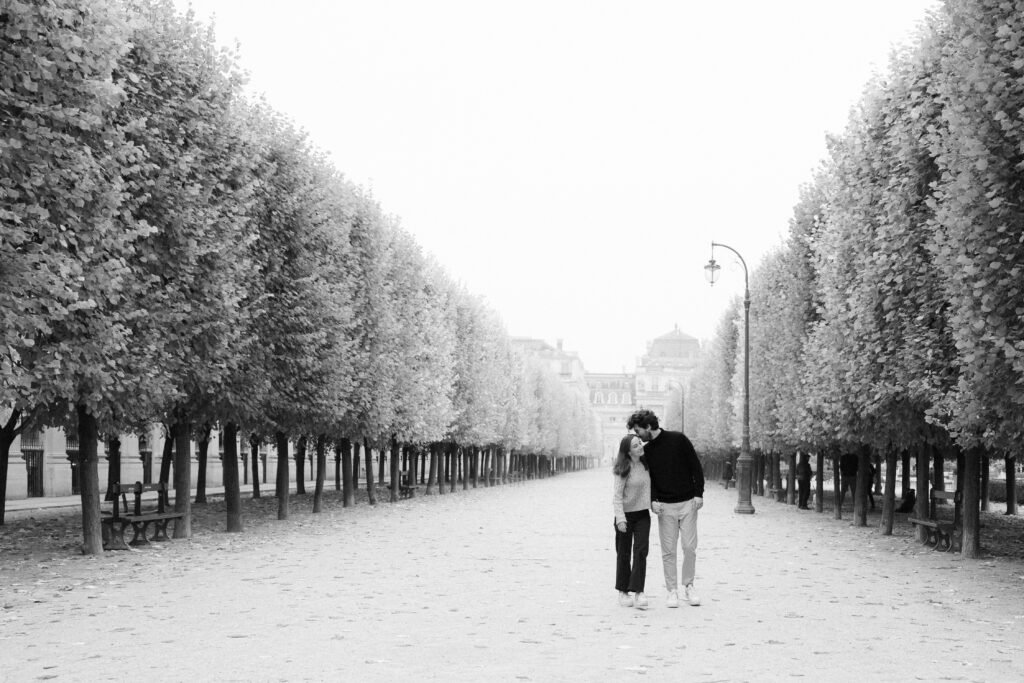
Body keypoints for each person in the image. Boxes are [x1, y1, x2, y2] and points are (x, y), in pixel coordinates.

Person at [627, 409, 704, 608]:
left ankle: (689, 585)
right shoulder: (648, 451)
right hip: (665, 507)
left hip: (687, 503)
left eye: (638, 430)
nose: (637, 435)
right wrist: (653, 500)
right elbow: (648, 479)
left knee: (689, 547)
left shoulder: (679, 440)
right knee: (668, 551)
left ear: (648, 427)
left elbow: (696, 466)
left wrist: (698, 493)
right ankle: (672, 590)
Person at [612, 434, 652, 609]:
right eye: (635, 446)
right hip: (625, 516)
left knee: (641, 551)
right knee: (624, 553)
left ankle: (638, 591)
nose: (640, 447)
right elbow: (617, 496)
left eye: (640, 443)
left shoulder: (646, 464)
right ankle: (622, 591)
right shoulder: (624, 468)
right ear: (628, 451)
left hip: (643, 514)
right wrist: (620, 519)